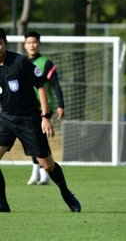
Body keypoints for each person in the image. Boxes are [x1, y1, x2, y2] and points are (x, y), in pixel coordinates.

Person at [0, 28, 80, 213]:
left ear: (5, 43)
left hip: (29, 118)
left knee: (47, 165)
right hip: (6, 119)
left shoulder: (20, 62)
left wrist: (44, 116)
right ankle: (2, 204)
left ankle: (66, 193)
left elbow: (41, 86)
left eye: (0, 42)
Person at [24, 31, 65, 186]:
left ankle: (43, 172)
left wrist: (61, 104)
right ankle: (37, 170)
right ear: (24, 45)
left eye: (34, 42)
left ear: (39, 44)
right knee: (32, 139)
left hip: (44, 108)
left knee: (38, 139)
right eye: (29, 43)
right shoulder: (22, 62)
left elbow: (55, 84)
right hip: (27, 108)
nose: (32, 45)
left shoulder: (45, 63)